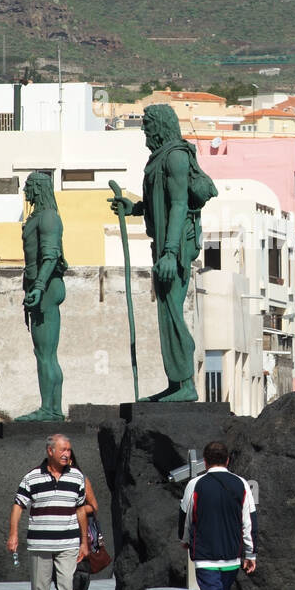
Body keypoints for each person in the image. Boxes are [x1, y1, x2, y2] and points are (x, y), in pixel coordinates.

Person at [106, 103, 216, 401]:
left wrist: (169, 253)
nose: (144, 131)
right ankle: (176, 383)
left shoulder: (176, 158)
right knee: (166, 312)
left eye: (148, 125)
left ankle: (187, 385)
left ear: (161, 125)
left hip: (176, 247)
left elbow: (179, 204)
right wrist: (134, 209)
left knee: (172, 312)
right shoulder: (158, 160)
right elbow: (161, 203)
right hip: (164, 245)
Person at [178, 441, 257, 590]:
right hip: (232, 554)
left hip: (205, 555)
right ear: (228, 460)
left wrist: (185, 540)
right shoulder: (241, 483)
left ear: (205, 461)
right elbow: (249, 522)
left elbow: (185, 516)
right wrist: (250, 554)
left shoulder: (195, 484)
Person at [7, 434, 88, 590]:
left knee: (66, 587)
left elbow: (80, 509)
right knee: (40, 589)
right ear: (50, 451)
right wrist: (13, 533)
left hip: (68, 542)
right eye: (62, 450)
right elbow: (18, 505)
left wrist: (84, 542)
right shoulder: (32, 477)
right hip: (40, 542)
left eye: (69, 450)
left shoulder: (77, 477)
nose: (66, 454)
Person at [17, 172, 67, 421]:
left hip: (45, 287)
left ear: (37, 188)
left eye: (27, 186)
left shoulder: (47, 217)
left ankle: (49, 408)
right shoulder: (39, 216)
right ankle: (52, 408)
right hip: (42, 286)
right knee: (46, 352)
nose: (25, 191)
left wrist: (37, 287)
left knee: (44, 353)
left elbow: (50, 255)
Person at [67, 447, 104, 590]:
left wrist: (75, 510)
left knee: (81, 575)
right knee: (65, 576)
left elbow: (93, 506)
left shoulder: (81, 479)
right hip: (60, 536)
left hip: (81, 534)